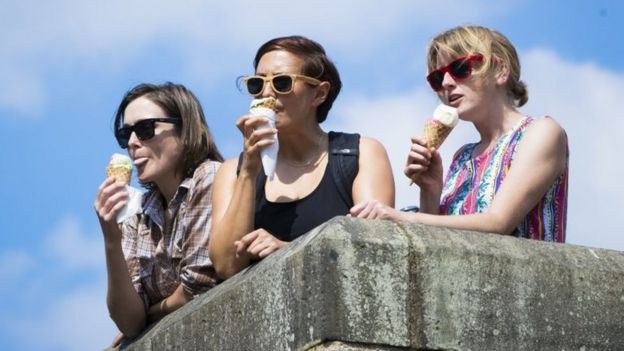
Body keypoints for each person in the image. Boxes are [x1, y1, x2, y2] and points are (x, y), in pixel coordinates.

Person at [351, 25, 568, 242]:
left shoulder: (541, 132)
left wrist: (402, 218)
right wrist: (430, 190)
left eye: (461, 68)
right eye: (437, 78)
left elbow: (498, 222)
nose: (446, 83)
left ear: (500, 70)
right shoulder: (463, 156)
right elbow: (436, 243)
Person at [209, 35, 395, 279]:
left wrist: (290, 251)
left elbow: (375, 250)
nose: (266, 93)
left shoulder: (359, 154)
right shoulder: (233, 171)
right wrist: (248, 173)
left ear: (319, 94)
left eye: (281, 82)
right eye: (256, 84)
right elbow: (225, 265)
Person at [94, 82, 223, 346]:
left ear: (185, 128)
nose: (132, 143)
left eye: (145, 129)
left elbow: (198, 285)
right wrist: (110, 239)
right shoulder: (137, 212)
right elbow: (129, 321)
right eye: (125, 134)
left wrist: (151, 313)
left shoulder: (209, 176)